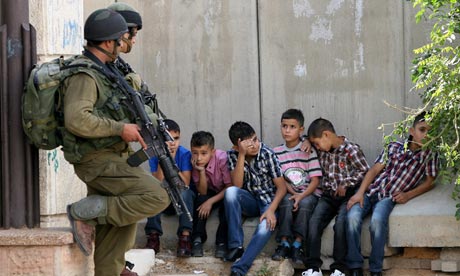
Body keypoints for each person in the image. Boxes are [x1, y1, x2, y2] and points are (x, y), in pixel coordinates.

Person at [64, 9, 170, 276]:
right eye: (121, 38)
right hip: (96, 161)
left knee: (120, 227)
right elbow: (76, 119)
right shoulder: (85, 75)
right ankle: (85, 211)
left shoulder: (107, 69)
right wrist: (120, 128)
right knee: (156, 195)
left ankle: (112, 269)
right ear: (109, 42)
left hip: (114, 156)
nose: (125, 43)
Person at [346, 112, 438, 276]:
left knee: (377, 222)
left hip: (389, 197)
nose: (426, 135)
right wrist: (360, 192)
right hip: (371, 191)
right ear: (411, 131)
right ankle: (354, 267)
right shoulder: (394, 146)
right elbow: (374, 170)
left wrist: (408, 195)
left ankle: (375, 270)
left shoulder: (430, 154)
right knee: (352, 217)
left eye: (430, 131)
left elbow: (430, 182)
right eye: (422, 130)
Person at [302, 118, 369, 276]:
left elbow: (364, 171)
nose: (316, 147)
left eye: (317, 143)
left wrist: (346, 183)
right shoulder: (322, 149)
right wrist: (307, 140)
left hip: (348, 194)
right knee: (314, 221)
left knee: (340, 224)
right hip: (328, 196)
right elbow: (310, 137)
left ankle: (339, 268)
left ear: (326, 135)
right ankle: (313, 267)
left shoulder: (351, 149)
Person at [224, 121, 287, 276]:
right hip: (250, 200)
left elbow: (282, 187)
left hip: (268, 201)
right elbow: (237, 185)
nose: (254, 145)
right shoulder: (233, 155)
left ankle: (240, 268)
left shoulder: (267, 154)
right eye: (248, 144)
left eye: (255, 139)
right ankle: (236, 246)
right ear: (236, 147)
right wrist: (242, 155)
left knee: (265, 227)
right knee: (230, 192)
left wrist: (272, 210)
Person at [271, 109, 322, 265]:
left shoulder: (308, 150)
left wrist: (301, 196)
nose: (287, 130)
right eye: (284, 126)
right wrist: (292, 192)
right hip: (289, 192)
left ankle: (297, 244)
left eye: (292, 127)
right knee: (285, 202)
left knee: (305, 204)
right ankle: (285, 243)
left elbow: (315, 180)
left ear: (301, 130)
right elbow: (279, 179)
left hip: (309, 193)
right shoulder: (276, 152)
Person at [144, 119, 194, 257]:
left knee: (186, 193)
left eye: (176, 138)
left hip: (180, 198)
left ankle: (185, 238)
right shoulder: (154, 154)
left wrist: (171, 163)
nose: (173, 143)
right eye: (169, 139)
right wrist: (163, 159)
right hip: (164, 199)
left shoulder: (184, 154)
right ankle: (153, 237)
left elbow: (185, 183)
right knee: (152, 192)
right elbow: (157, 181)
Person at [189, 131, 233, 258]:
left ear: (212, 152)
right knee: (200, 201)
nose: (199, 158)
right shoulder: (195, 163)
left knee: (226, 208)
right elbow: (202, 191)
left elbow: (230, 187)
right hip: (210, 191)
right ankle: (197, 238)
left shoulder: (222, 158)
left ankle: (221, 242)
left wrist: (210, 202)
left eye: (204, 153)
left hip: (226, 191)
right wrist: (201, 171)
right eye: (195, 153)